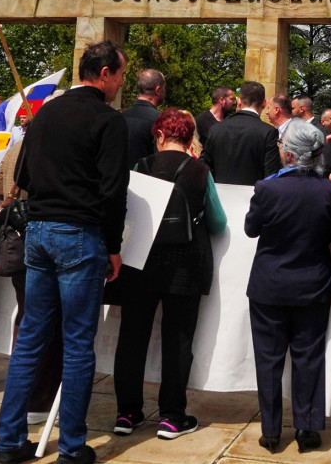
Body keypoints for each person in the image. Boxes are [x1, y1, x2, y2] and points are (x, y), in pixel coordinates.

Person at [0, 40, 129, 464]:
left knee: (31, 339)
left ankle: (9, 442)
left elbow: (25, 174)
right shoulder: (108, 120)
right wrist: (113, 246)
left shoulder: (45, 113)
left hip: (39, 230)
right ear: (104, 73)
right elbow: (113, 192)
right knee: (76, 344)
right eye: (120, 74)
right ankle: (71, 447)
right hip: (79, 234)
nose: (120, 83)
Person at [112, 109, 228, 440]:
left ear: (160, 137)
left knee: (133, 337)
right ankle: (172, 416)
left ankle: (127, 412)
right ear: (190, 138)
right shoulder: (200, 170)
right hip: (185, 266)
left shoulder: (141, 167)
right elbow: (218, 222)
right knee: (178, 340)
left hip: (141, 263)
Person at [246, 120, 331, 454]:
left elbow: (250, 229)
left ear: (288, 153)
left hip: (270, 285)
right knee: (308, 357)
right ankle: (308, 427)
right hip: (313, 284)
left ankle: (272, 430)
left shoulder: (267, 188)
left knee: (269, 359)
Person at [0, 94, 64, 426]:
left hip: (18, 245)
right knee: (46, 324)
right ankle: (38, 397)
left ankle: (21, 396)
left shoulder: (16, 149)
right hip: (43, 244)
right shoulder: (49, 148)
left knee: (27, 318)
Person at [200, 81, 280, 185]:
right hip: (253, 198)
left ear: (239, 101)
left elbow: (204, 168)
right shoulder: (269, 132)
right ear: (264, 103)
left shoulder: (216, 129)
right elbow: (270, 176)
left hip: (220, 197)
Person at [123, 69, 166, 168]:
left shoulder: (121, 117)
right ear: (158, 90)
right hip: (146, 179)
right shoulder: (161, 120)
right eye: (164, 88)